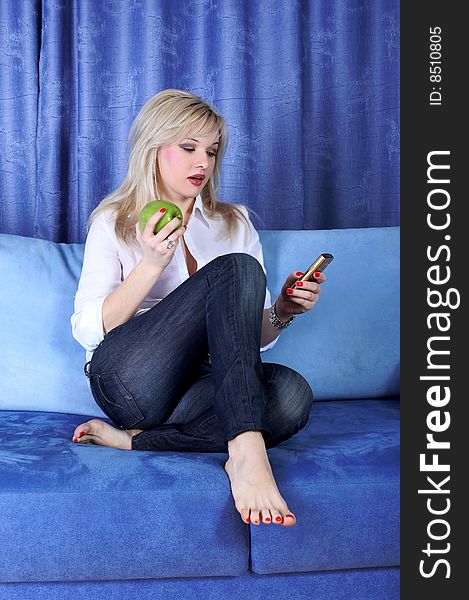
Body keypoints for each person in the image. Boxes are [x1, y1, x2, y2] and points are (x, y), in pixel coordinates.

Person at [71, 89, 326, 528]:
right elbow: (89, 330)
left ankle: (138, 442)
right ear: (153, 149)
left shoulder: (233, 223)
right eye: (188, 148)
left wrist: (283, 309)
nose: (203, 163)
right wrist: (151, 264)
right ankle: (246, 452)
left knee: (291, 395)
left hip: (200, 388)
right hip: (130, 379)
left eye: (211, 151)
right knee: (236, 269)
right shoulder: (114, 221)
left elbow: (251, 337)